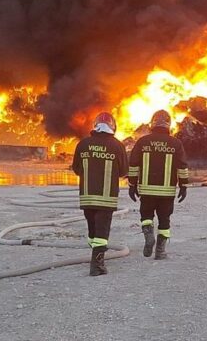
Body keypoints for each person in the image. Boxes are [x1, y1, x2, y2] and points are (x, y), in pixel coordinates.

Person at [127, 110, 189, 260]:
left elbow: (133, 165)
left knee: (146, 216)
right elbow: (182, 166)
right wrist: (183, 186)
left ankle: (149, 236)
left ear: (152, 123)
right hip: (167, 192)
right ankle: (160, 251)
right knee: (164, 220)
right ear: (168, 124)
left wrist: (132, 185)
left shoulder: (143, 142)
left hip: (147, 191)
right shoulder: (175, 143)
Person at [71, 112, 128, 276]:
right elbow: (123, 171)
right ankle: (97, 265)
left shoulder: (83, 144)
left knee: (92, 228)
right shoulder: (117, 146)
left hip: (87, 196)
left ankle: (95, 250)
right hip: (106, 197)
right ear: (113, 127)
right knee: (102, 230)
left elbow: (76, 169)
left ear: (95, 126)